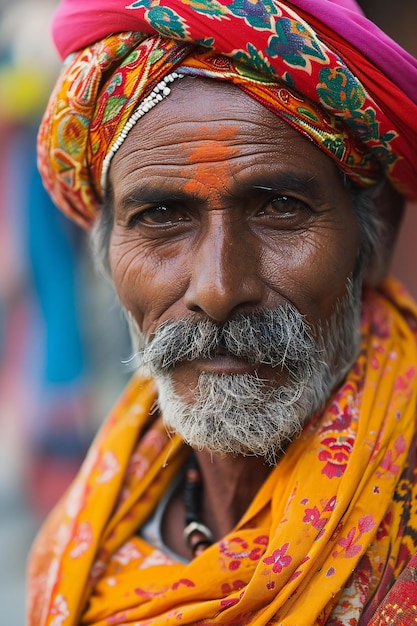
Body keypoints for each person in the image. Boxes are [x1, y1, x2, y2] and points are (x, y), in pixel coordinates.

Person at [27, 0, 417, 624]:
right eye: (160, 217)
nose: (217, 288)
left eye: (279, 207)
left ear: (376, 240)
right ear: (106, 258)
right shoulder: (81, 547)